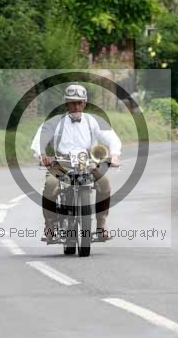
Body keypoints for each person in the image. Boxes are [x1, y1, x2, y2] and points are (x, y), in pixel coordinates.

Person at [30, 83, 122, 242]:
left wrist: (114, 155)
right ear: (66, 104)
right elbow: (39, 139)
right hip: (61, 164)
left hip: (87, 163)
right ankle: (50, 227)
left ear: (85, 103)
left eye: (80, 102)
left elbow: (112, 137)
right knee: (51, 184)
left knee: (104, 183)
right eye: (72, 103)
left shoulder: (93, 121)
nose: (76, 106)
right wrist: (42, 155)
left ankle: (101, 225)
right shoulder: (54, 122)